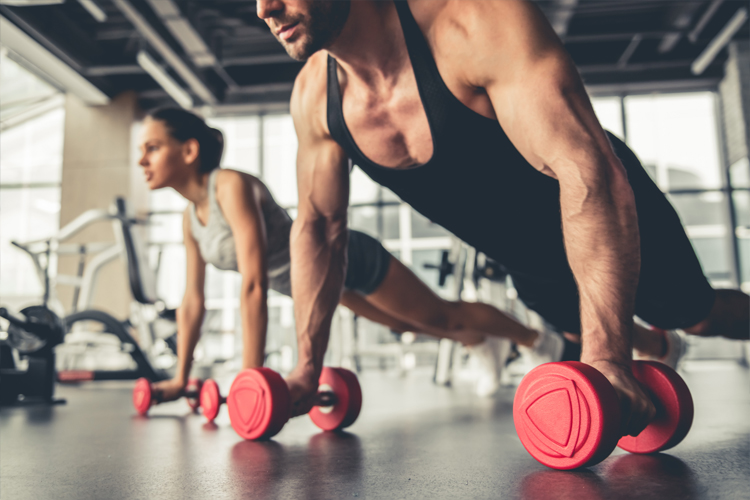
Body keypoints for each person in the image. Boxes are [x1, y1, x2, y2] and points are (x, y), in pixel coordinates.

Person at [256, 0, 750, 435]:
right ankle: (657, 347)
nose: (264, 8)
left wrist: (607, 360)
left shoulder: (471, 21)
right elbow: (320, 228)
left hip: (607, 215)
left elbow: (585, 171)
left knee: (698, 315)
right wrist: (305, 370)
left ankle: (664, 335)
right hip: (526, 262)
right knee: (575, 331)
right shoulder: (314, 99)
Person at [138, 107, 567, 401]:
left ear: (190, 151)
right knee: (404, 324)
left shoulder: (229, 186)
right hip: (317, 284)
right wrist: (180, 377)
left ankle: (535, 339)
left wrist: (252, 377)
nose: (142, 159)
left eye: (152, 147)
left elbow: (253, 282)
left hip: (346, 257)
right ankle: (478, 343)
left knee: (439, 316)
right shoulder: (189, 219)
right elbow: (192, 302)